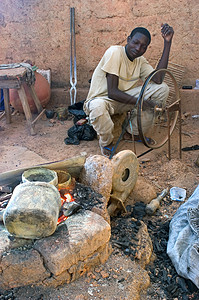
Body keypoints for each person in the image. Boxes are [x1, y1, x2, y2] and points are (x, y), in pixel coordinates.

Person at [83, 23, 174, 156]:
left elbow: (158, 79)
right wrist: (141, 102)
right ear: (128, 39)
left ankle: (133, 133)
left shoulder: (140, 61)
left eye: (144, 46)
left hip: (124, 100)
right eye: (136, 42)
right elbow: (112, 92)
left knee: (162, 89)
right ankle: (107, 143)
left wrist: (167, 43)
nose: (138, 48)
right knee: (98, 106)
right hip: (104, 99)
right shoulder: (115, 52)